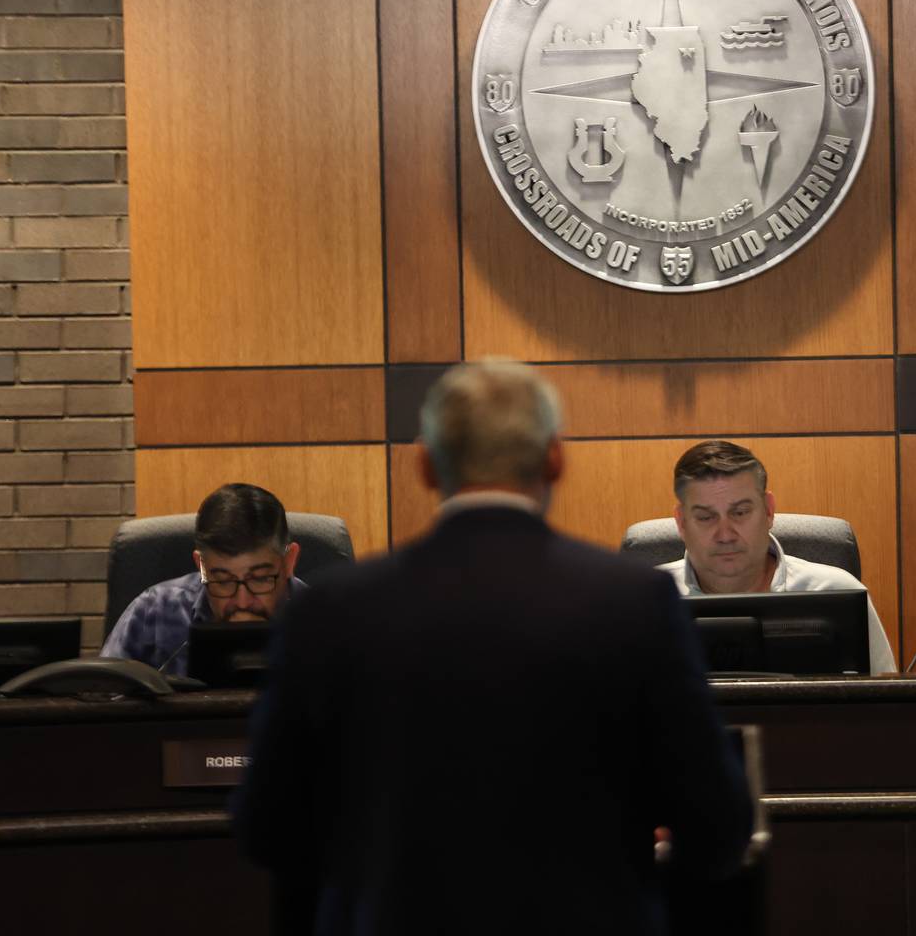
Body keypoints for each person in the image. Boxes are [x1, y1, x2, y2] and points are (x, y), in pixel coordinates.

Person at [232, 359, 753, 935]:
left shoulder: (330, 612)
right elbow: (717, 828)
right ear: (555, 459)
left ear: (427, 465)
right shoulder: (635, 602)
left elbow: (268, 827)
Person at [660, 439, 898, 674]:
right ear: (681, 522)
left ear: (769, 511)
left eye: (740, 512)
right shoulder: (642, 602)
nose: (725, 535)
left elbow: (889, 706)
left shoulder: (835, 588)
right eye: (705, 517)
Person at [101, 483, 302, 676]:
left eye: (259, 579)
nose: (242, 602)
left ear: (289, 561)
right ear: (201, 566)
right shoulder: (155, 611)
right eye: (223, 581)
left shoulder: (324, 619)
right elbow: (102, 697)